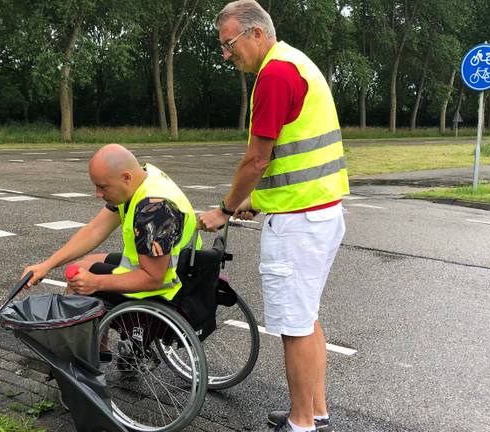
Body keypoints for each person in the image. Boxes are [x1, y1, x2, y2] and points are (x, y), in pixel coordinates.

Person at [198, 2, 349, 432]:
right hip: (320, 212)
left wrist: (226, 208)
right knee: (307, 318)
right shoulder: (295, 62)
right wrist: (259, 201)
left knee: (294, 326)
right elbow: (295, 159)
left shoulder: (274, 76)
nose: (226, 54)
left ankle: (300, 424)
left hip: (299, 225)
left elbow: (257, 158)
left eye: (229, 44)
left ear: (256, 34)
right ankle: (314, 410)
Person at [23, 143, 200, 309]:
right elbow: (94, 230)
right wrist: (46, 265)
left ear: (126, 178)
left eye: (103, 187)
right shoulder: (141, 180)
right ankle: (94, 336)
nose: (98, 194)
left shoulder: (153, 208)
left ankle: (86, 341)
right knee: (91, 261)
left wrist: (95, 282)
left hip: (171, 288)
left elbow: (153, 279)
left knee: (79, 279)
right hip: (181, 269)